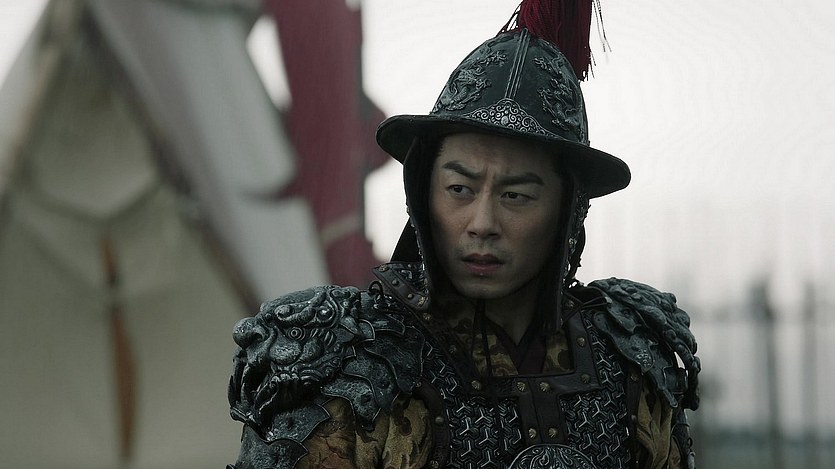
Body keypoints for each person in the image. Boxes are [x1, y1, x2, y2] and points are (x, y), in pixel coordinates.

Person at [226, 2, 700, 468]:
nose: (482, 222)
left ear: (566, 211)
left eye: (516, 196)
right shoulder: (344, 360)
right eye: (459, 189)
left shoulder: (629, 355)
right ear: (423, 191)